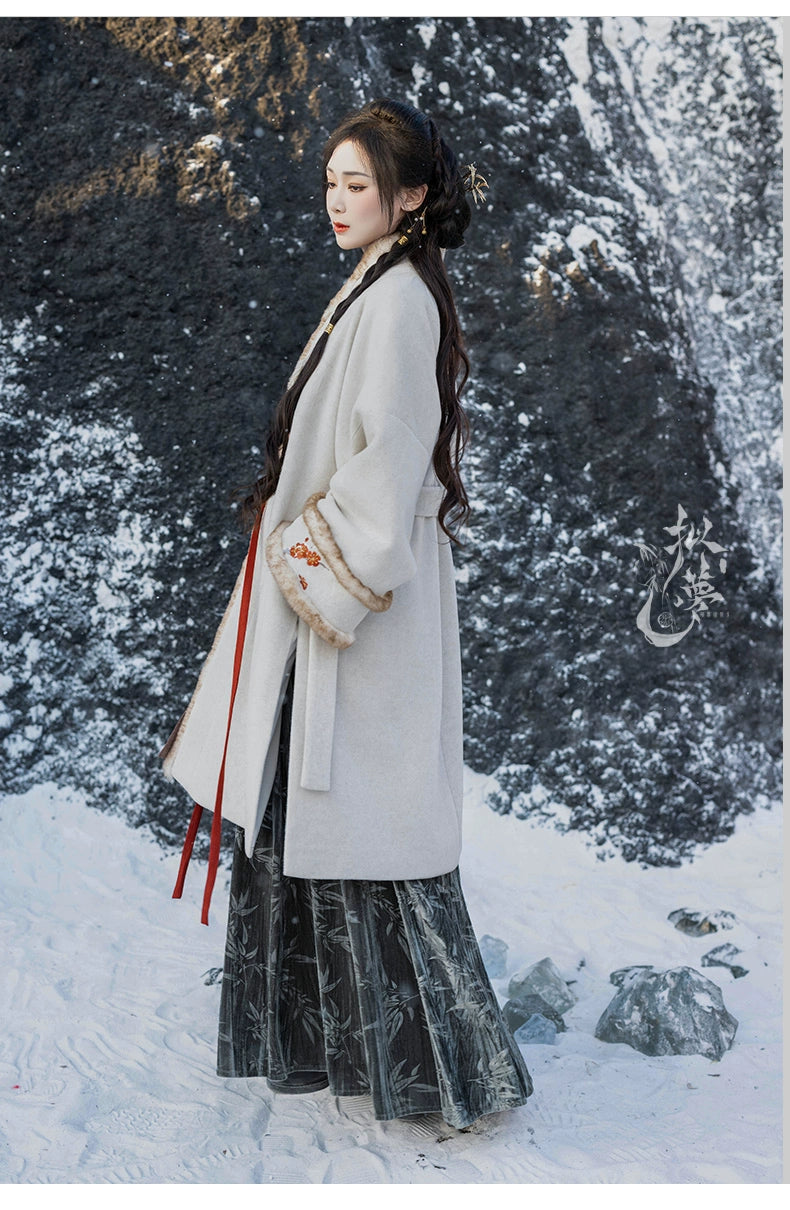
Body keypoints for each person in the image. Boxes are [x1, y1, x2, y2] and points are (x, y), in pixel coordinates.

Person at [161, 98, 533, 1130]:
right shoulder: (379, 284)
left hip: (357, 619)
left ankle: (434, 1074)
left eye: (356, 185)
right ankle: (364, 1058)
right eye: (331, 182)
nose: (335, 200)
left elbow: (390, 459)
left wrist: (304, 557)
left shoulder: (399, 299)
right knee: (327, 832)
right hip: (336, 615)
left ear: (410, 197)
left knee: (368, 841)